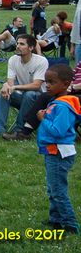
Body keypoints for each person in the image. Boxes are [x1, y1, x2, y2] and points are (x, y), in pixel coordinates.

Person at [35, 64, 81, 234]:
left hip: (58, 152)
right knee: (53, 187)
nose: (47, 85)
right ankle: (56, 219)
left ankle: (70, 224)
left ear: (66, 83)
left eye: (52, 82)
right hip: (52, 151)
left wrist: (43, 118)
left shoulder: (62, 106)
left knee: (58, 190)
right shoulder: (58, 102)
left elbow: (58, 131)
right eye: (46, 81)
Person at [0, 34, 48, 136]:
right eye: (17, 43)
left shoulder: (41, 61)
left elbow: (36, 85)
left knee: (30, 94)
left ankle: (20, 131)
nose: (17, 46)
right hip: (23, 97)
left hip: (39, 101)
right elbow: (10, 82)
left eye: (22, 44)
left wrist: (15, 87)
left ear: (31, 48)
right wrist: (6, 86)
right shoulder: (13, 59)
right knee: (4, 92)